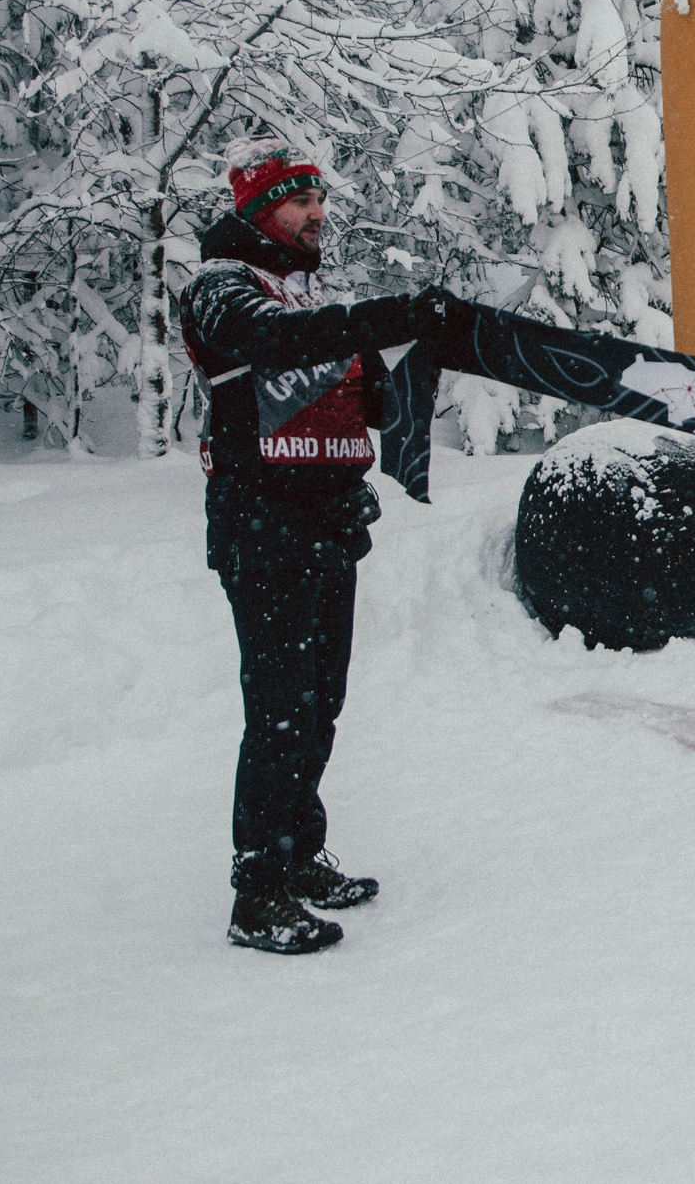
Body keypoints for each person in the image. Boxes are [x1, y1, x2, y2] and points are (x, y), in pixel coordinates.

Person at [180, 139, 469, 954]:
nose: (317, 213)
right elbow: (279, 342)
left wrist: (430, 346)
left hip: (328, 522)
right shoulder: (220, 289)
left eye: (319, 198)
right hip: (261, 527)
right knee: (277, 712)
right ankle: (258, 892)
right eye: (297, 199)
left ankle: (299, 854)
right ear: (256, 210)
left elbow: (372, 400)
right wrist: (394, 313)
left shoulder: (316, 294)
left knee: (317, 706)